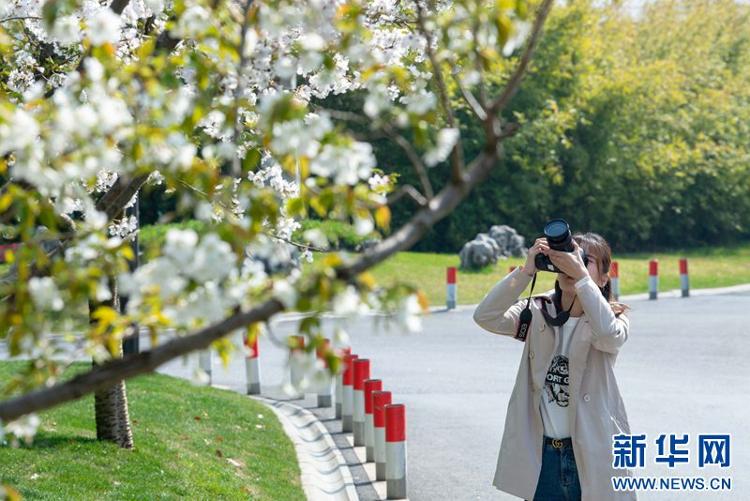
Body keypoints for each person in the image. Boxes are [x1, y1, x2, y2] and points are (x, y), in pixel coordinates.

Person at [473, 232, 637, 501]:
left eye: (586, 260)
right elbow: (486, 316)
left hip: (590, 453)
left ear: (604, 278)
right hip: (542, 456)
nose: (574, 263)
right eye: (570, 256)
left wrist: (582, 279)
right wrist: (526, 271)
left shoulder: (612, 317)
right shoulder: (539, 309)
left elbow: (608, 337)